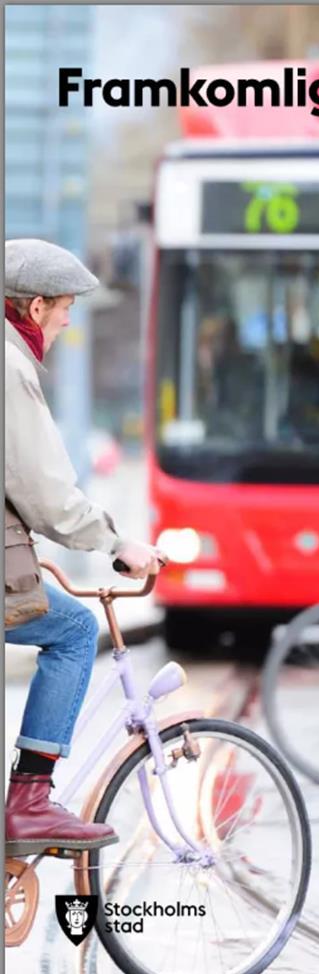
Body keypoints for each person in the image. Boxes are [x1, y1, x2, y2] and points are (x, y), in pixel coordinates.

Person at [5, 238, 166, 857]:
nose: (70, 320)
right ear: (36, 305)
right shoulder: (10, 365)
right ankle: (31, 801)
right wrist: (116, 543)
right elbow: (41, 487)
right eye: (67, 307)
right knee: (72, 629)